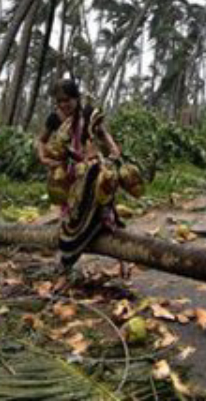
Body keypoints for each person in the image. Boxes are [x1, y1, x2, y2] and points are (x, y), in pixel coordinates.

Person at [36, 78, 143, 269]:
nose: (63, 105)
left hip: (91, 166)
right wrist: (43, 157)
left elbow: (103, 133)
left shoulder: (87, 113)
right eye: (59, 101)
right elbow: (41, 141)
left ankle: (96, 230)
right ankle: (70, 250)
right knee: (71, 210)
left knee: (98, 194)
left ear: (76, 98)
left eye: (67, 100)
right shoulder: (54, 119)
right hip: (67, 171)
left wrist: (113, 149)